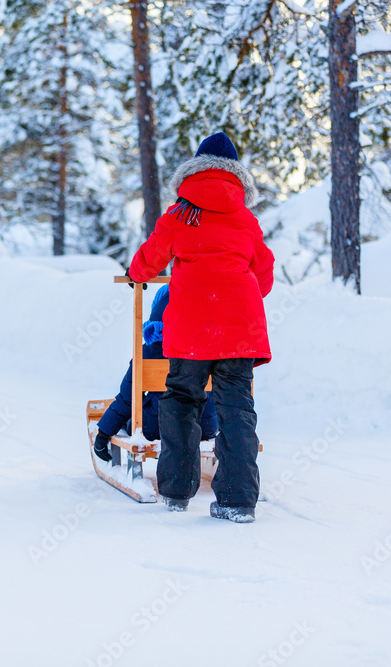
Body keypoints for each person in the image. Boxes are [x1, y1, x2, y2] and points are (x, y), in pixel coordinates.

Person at [127, 131, 274, 523]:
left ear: (194, 171)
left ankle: (175, 492)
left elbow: (147, 262)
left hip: (191, 327)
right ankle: (238, 500)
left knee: (181, 400)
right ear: (235, 175)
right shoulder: (245, 219)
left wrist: (134, 273)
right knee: (236, 408)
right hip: (240, 329)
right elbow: (264, 277)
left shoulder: (179, 214)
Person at [93, 285, 219, 461]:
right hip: (203, 427)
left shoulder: (148, 352)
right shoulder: (211, 348)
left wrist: (104, 433)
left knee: (133, 416)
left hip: (156, 428)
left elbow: (128, 398)